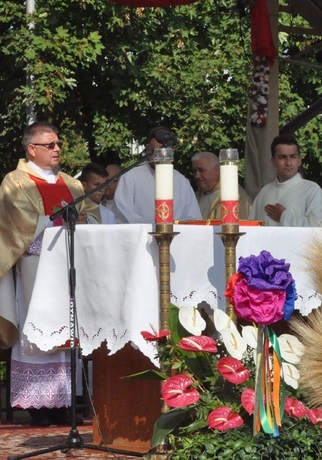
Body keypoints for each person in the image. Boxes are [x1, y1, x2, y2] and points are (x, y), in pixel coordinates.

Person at [0, 121, 98, 426]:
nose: (57, 149)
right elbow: (17, 223)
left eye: (58, 144)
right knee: (38, 325)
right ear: (32, 149)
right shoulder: (15, 182)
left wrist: (84, 221)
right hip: (36, 269)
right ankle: (37, 406)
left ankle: (65, 400)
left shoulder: (72, 183)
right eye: (50, 145)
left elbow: (92, 214)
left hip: (69, 268)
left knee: (67, 330)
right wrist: (56, 222)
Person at [114, 127, 201, 224]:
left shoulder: (181, 181)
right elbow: (123, 214)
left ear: (171, 152)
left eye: (164, 152)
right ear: (147, 149)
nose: (160, 156)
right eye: (155, 151)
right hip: (144, 237)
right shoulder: (130, 177)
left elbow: (193, 218)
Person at [250, 134, 322, 226]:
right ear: (273, 161)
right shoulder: (264, 192)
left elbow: (320, 227)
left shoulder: (311, 190)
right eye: (282, 157)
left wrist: (284, 217)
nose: (288, 163)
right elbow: (251, 228)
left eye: (293, 157)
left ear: (299, 160)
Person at [191, 151, 252, 221]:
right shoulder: (194, 196)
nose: (197, 176)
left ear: (217, 170)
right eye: (194, 171)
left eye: (201, 170)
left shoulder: (235, 195)